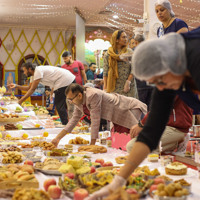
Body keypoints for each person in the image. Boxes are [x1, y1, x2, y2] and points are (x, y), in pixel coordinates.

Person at [85, 27, 200, 200]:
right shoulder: (168, 75)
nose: (160, 88)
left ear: (171, 64)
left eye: (159, 81)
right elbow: (149, 134)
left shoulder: (194, 57)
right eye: (154, 84)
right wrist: (118, 181)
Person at [51, 83, 147, 146]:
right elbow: (73, 121)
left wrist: (92, 145)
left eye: (71, 99)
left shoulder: (93, 95)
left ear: (79, 95)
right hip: (116, 115)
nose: (70, 102)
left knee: (132, 138)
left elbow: (95, 120)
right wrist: (57, 138)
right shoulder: (78, 101)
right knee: (119, 142)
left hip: (127, 108)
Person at [9, 62, 75, 125]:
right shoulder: (33, 76)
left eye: (24, 70)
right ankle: (68, 124)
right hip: (64, 80)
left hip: (65, 80)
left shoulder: (38, 71)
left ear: (29, 69)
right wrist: (16, 86)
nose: (24, 73)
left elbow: (32, 89)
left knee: (60, 105)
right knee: (63, 104)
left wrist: (20, 101)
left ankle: (66, 125)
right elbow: (29, 88)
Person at [126, 95, 193, 153]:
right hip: (168, 125)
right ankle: (172, 143)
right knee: (136, 147)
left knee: (133, 147)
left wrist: (142, 124)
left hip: (175, 127)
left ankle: (176, 141)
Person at [103, 30, 138, 98]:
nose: (126, 39)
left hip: (128, 87)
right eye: (123, 37)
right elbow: (105, 71)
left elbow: (134, 68)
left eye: (126, 37)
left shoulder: (129, 52)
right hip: (114, 87)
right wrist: (105, 87)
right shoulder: (109, 54)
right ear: (116, 40)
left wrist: (128, 82)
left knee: (130, 107)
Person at [133, 34, 153, 110]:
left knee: (140, 107)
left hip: (140, 84)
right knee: (149, 107)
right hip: (151, 83)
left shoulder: (134, 52)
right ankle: (148, 121)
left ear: (136, 42)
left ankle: (141, 121)